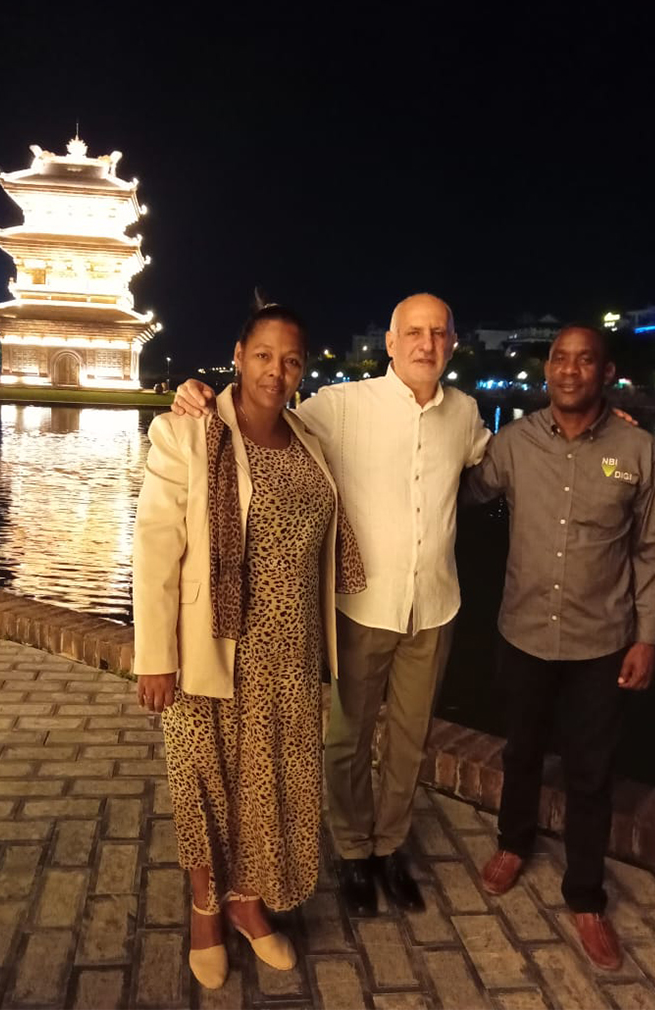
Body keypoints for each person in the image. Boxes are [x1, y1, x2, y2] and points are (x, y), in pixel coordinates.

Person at [171, 293, 490, 916]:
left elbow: (497, 461)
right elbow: (259, 407)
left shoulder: (468, 414)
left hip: (434, 607)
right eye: (413, 333)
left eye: (439, 333)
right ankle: (350, 851)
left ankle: (388, 848)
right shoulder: (340, 407)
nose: (427, 344)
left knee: (409, 740)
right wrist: (196, 394)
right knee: (346, 739)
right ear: (391, 343)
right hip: (361, 606)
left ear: (452, 343)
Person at [133, 303, 364, 989]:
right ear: (238, 354)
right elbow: (154, 550)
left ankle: (247, 903)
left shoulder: (310, 439)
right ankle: (205, 907)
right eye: (264, 354)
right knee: (208, 784)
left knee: (269, 790)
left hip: (290, 658)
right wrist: (154, 657)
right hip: (210, 647)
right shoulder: (189, 433)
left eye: (291, 358)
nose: (277, 369)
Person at [462, 325, 655, 971]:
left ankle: (585, 895)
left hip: (600, 643)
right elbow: (463, 490)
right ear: (548, 369)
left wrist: (647, 637)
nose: (570, 369)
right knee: (521, 751)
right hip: (524, 631)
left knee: (590, 772)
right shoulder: (515, 442)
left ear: (606, 374)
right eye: (560, 358)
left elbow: (654, 551)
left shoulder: (639, 451)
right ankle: (512, 844)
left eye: (586, 360)